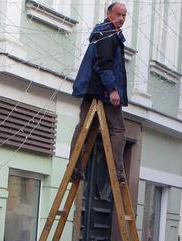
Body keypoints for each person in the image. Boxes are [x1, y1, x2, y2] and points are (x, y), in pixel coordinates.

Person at [70, 2, 129, 183]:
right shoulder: (108, 34)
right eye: (118, 14)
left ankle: (75, 167)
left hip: (92, 88)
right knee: (118, 129)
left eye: (124, 15)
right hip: (102, 91)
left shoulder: (104, 33)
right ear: (109, 13)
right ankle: (118, 171)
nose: (121, 19)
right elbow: (104, 64)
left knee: (84, 127)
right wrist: (112, 90)